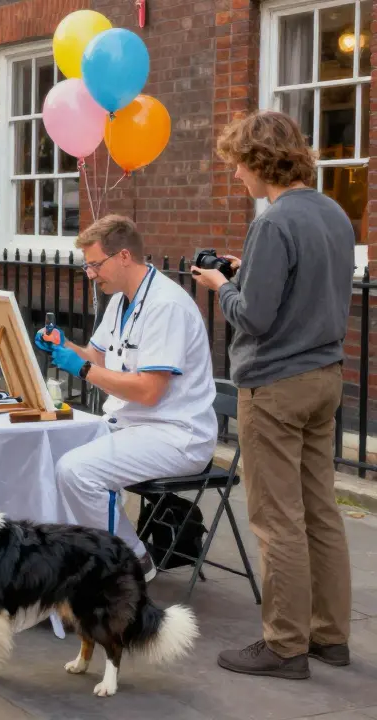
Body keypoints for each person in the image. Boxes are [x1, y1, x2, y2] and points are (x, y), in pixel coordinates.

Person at [194, 110, 354, 679]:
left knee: (275, 518)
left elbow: (255, 317)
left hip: (276, 386)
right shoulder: (335, 213)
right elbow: (306, 287)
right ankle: (329, 637)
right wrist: (246, 273)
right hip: (326, 378)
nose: (236, 175)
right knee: (321, 512)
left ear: (261, 161)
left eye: (238, 164)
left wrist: (222, 286)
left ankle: (285, 645)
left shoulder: (274, 221)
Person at [34, 215, 217, 579]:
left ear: (123, 257)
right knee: (44, 450)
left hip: (175, 435)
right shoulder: (121, 300)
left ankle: (131, 560)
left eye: (94, 264)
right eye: (86, 265)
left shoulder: (166, 305)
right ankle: (78, 557)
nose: (90, 273)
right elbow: (99, 357)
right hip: (131, 425)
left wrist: (81, 369)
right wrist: (64, 345)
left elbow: (149, 392)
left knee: (77, 471)